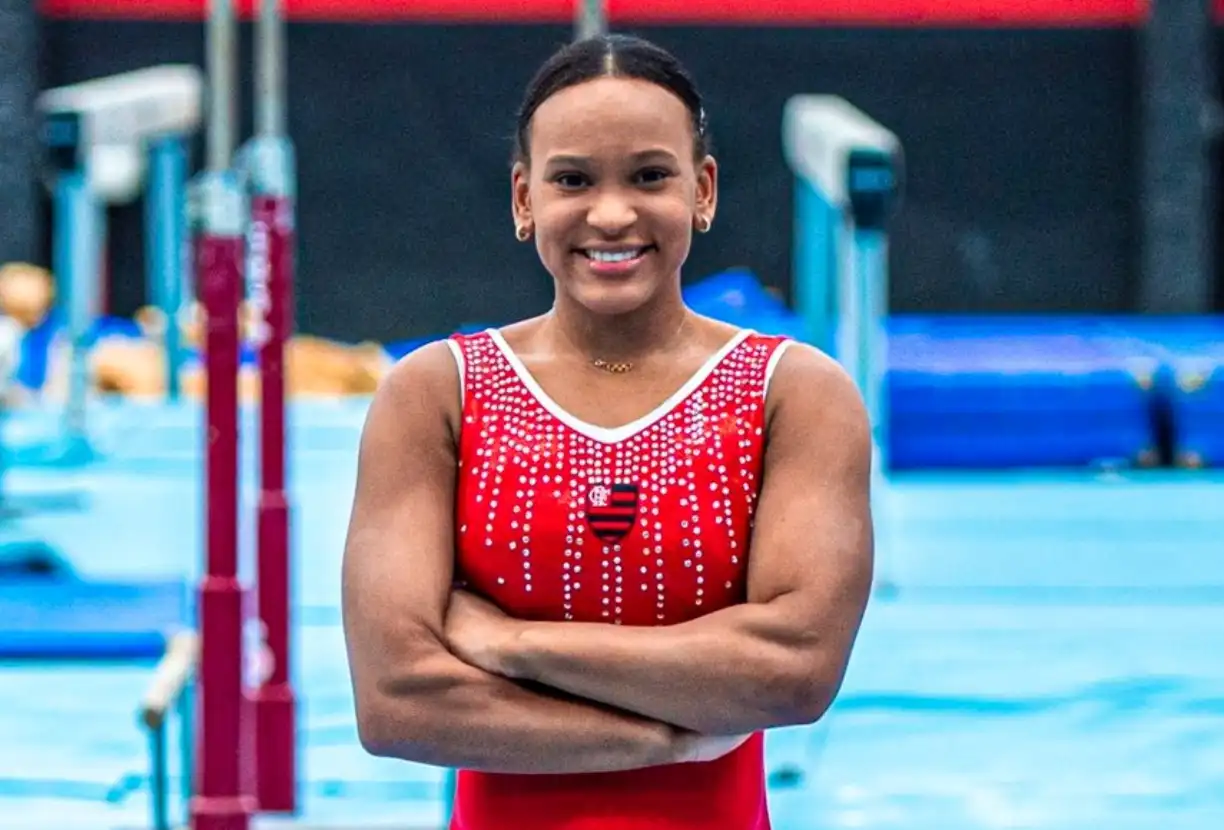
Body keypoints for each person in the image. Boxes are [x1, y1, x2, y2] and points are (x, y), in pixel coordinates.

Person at [342, 33, 874, 830]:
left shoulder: (794, 395)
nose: (614, 212)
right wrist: (667, 736)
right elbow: (395, 700)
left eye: (651, 176)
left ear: (704, 189)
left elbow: (791, 672)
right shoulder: (435, 395)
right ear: (525, 199)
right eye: (573, 180)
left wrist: (511, 644)